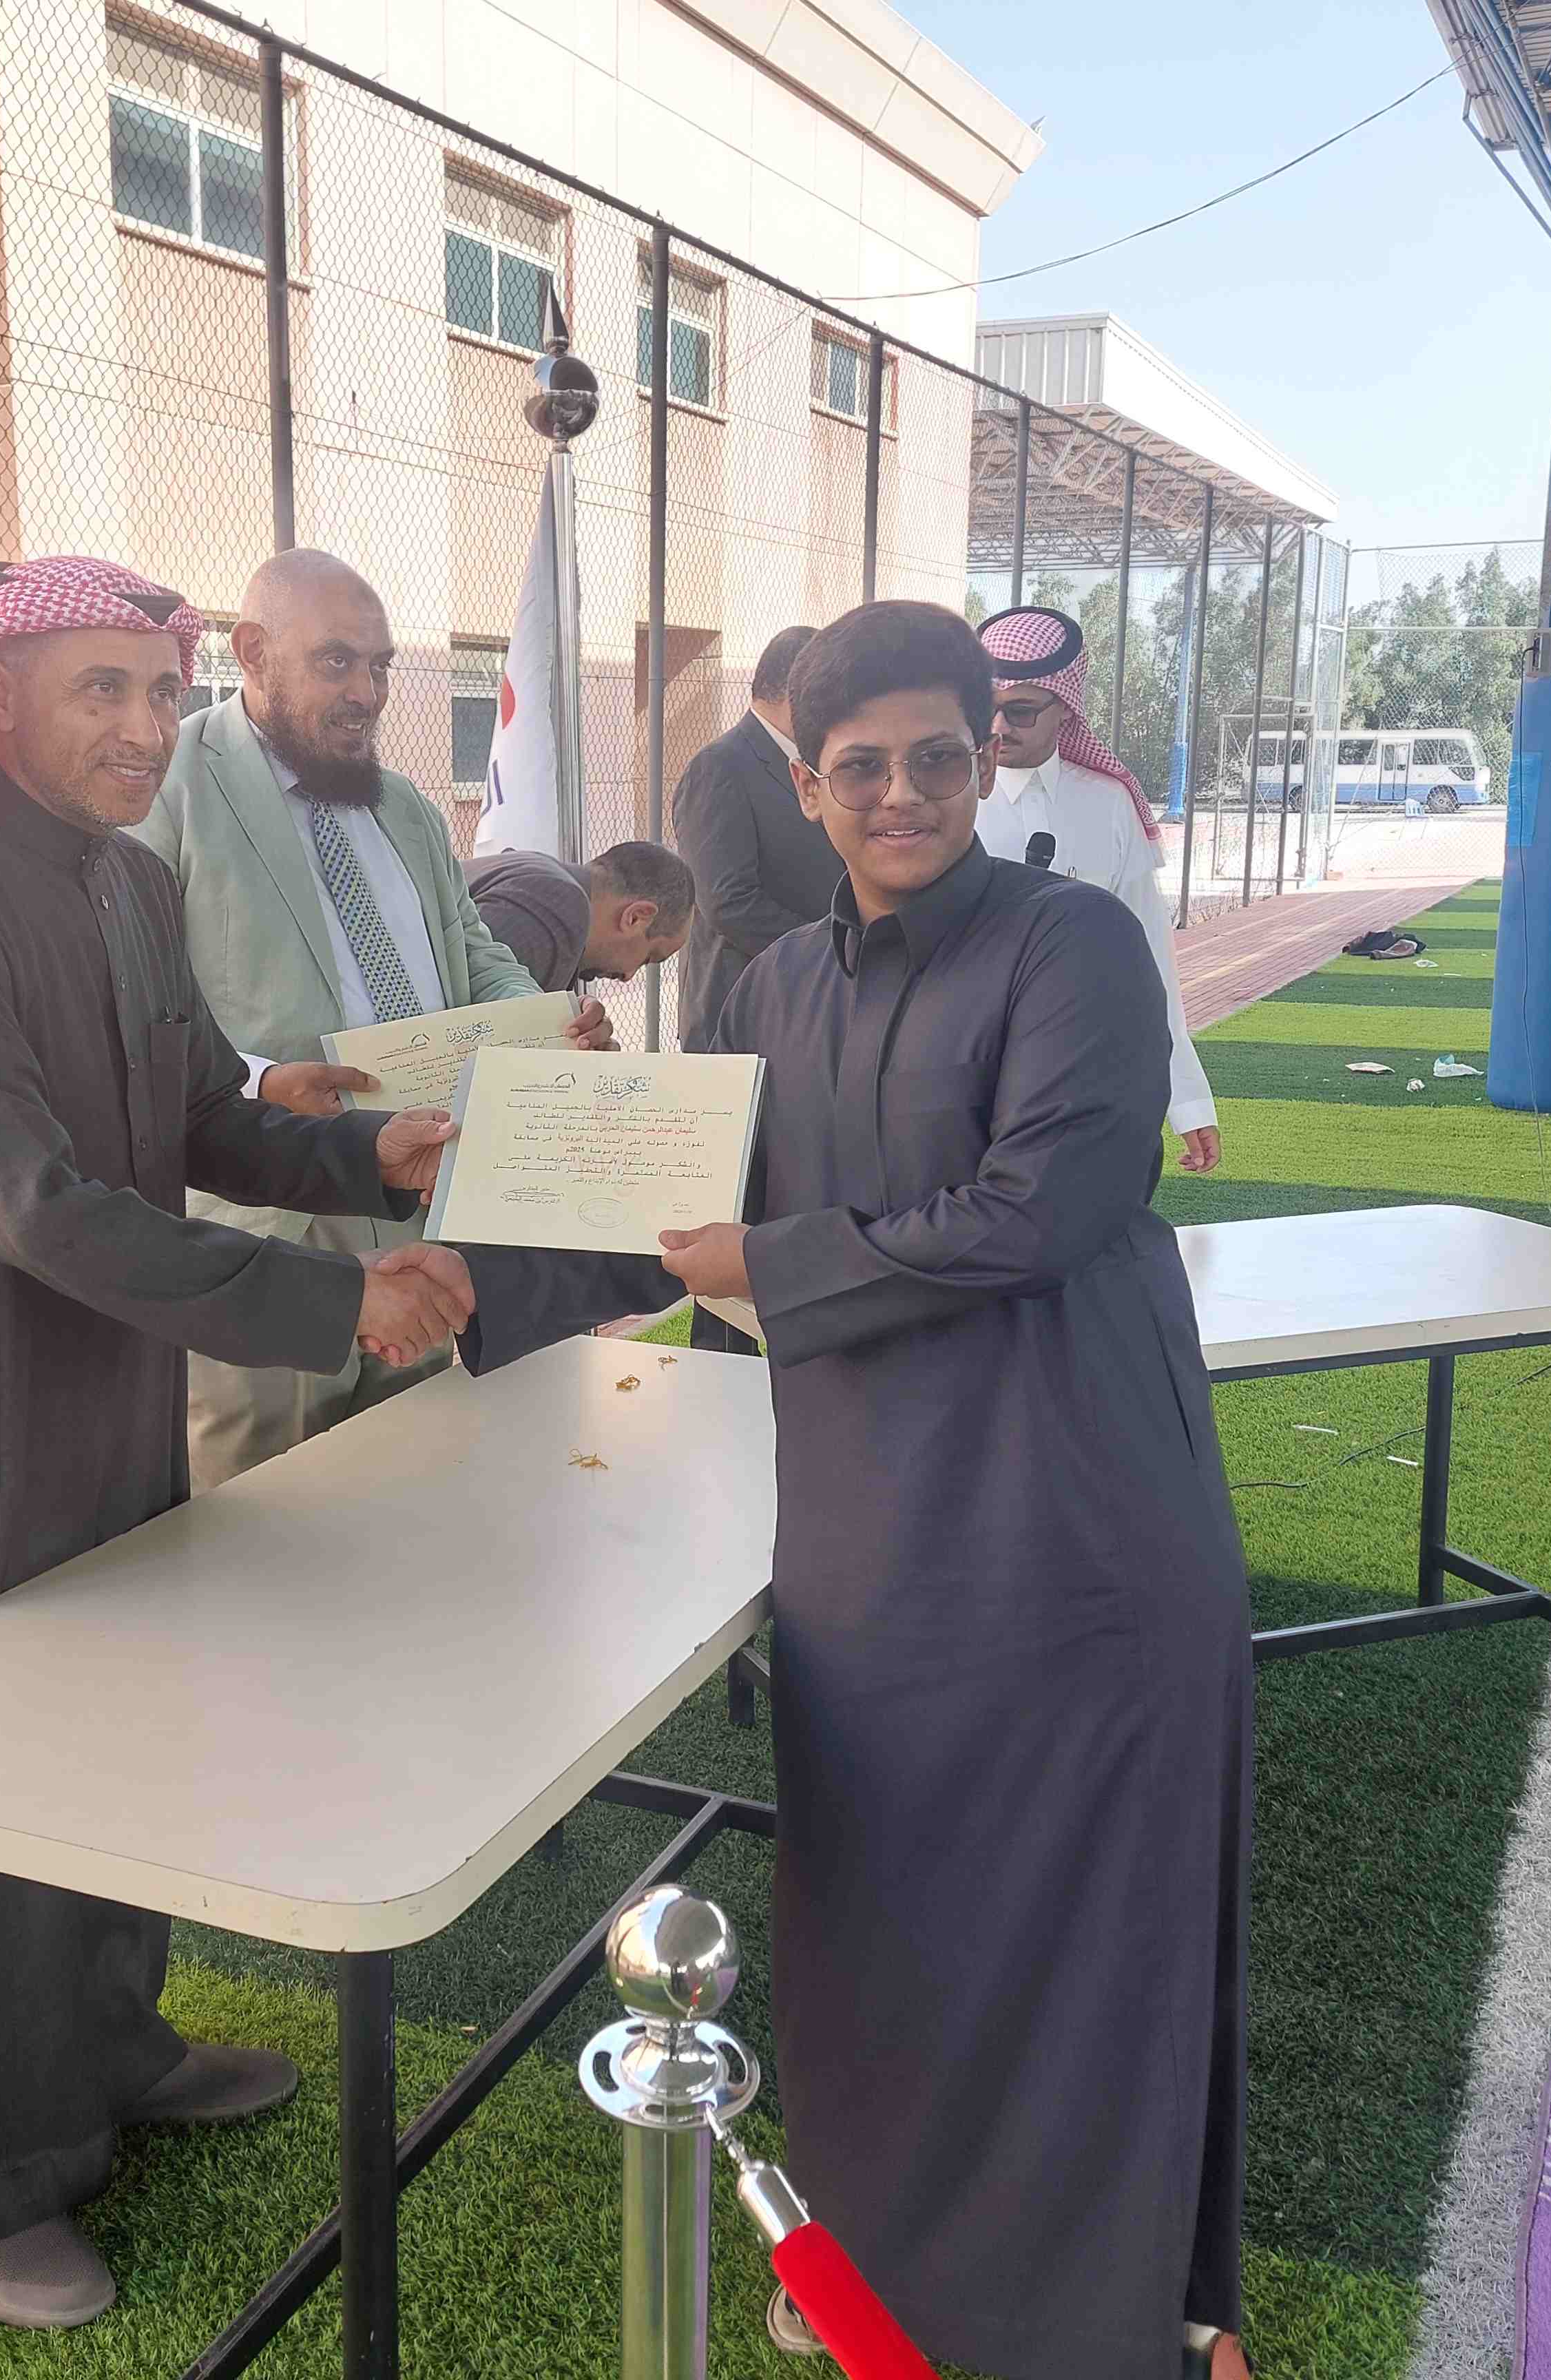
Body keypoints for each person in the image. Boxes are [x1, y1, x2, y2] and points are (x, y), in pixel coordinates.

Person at [442, 601, 1253, 2380]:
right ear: (803, 784)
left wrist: (769, 1259)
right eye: (861, 766)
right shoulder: (769, 986)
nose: (905, 795)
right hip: (872, 1519)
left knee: (1076, 1918)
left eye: (938, 759)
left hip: (1070, 1504)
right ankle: (871, 2275)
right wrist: (511, 1196)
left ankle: (1093, 2319)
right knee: (882, 1900)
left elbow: (1045, 1210)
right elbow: (694, 1214)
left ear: (984, 762)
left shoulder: (1071, 946)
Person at [0, 556, 472, 2330]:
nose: (144, 727)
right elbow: (33, 1206)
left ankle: (109, 2054)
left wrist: (363, 1155)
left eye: (163, 692)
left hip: (105, 1373)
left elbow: (187, 1120)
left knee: (111, 1732)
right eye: (100, 689)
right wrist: (336, 1301)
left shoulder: (132, 883)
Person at [129, 547, 614, 1487]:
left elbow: (472, 953)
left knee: (411, 1474)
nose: (367, 692)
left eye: (381, 665)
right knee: (264, 1494)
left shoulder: (404, 809)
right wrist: (260, 1082)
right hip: (266, 1218)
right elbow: (136, 998)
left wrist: (545, 1024)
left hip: (416, 1192)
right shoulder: (169, 789)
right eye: (337, 662)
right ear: (253, 652)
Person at [975, 606, 1222, 1176]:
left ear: (1065, 707)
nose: (998, 727)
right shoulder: (947, 797)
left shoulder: (1108, 804)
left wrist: (1186, 1098)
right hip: (967, 1073)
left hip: (1084, 1070)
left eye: (1020, 711)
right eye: (986, 708)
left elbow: (1150, 957)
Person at [674, 623, 834, 1354]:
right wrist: (838, 947)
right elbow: (727, 901)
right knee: (732, 1210)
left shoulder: (815, 764)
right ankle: (721, 1368)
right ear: (793, 691)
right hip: (736, 1027)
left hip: (810, 1018)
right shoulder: (722, 767)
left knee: (793, 1199)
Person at [461, 838, 695, 994]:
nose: (628, 976)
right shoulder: (557, 908)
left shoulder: (542, 880)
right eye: (648, 958)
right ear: (636, 917)